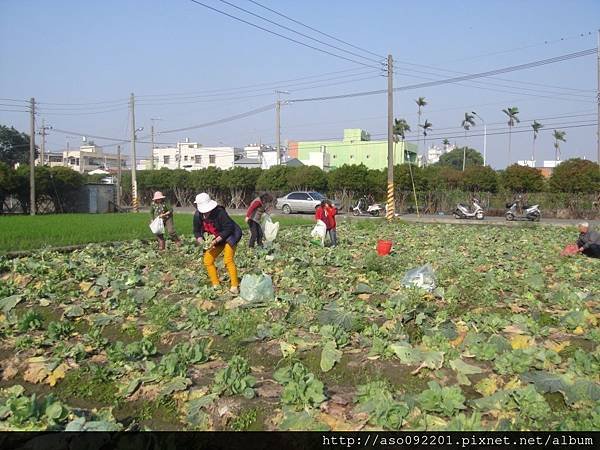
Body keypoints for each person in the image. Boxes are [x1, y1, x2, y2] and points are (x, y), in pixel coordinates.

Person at [193, 193, 243, 294]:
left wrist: (215, 241)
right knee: (208, 260)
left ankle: (234, 286)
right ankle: (216, 284)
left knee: (228, 260)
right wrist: (201, 241)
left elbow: (229, 228)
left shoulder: (220, 213)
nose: (206, 212)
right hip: (214, 239)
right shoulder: (198, 215)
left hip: (230, 236)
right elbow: (197, 231)